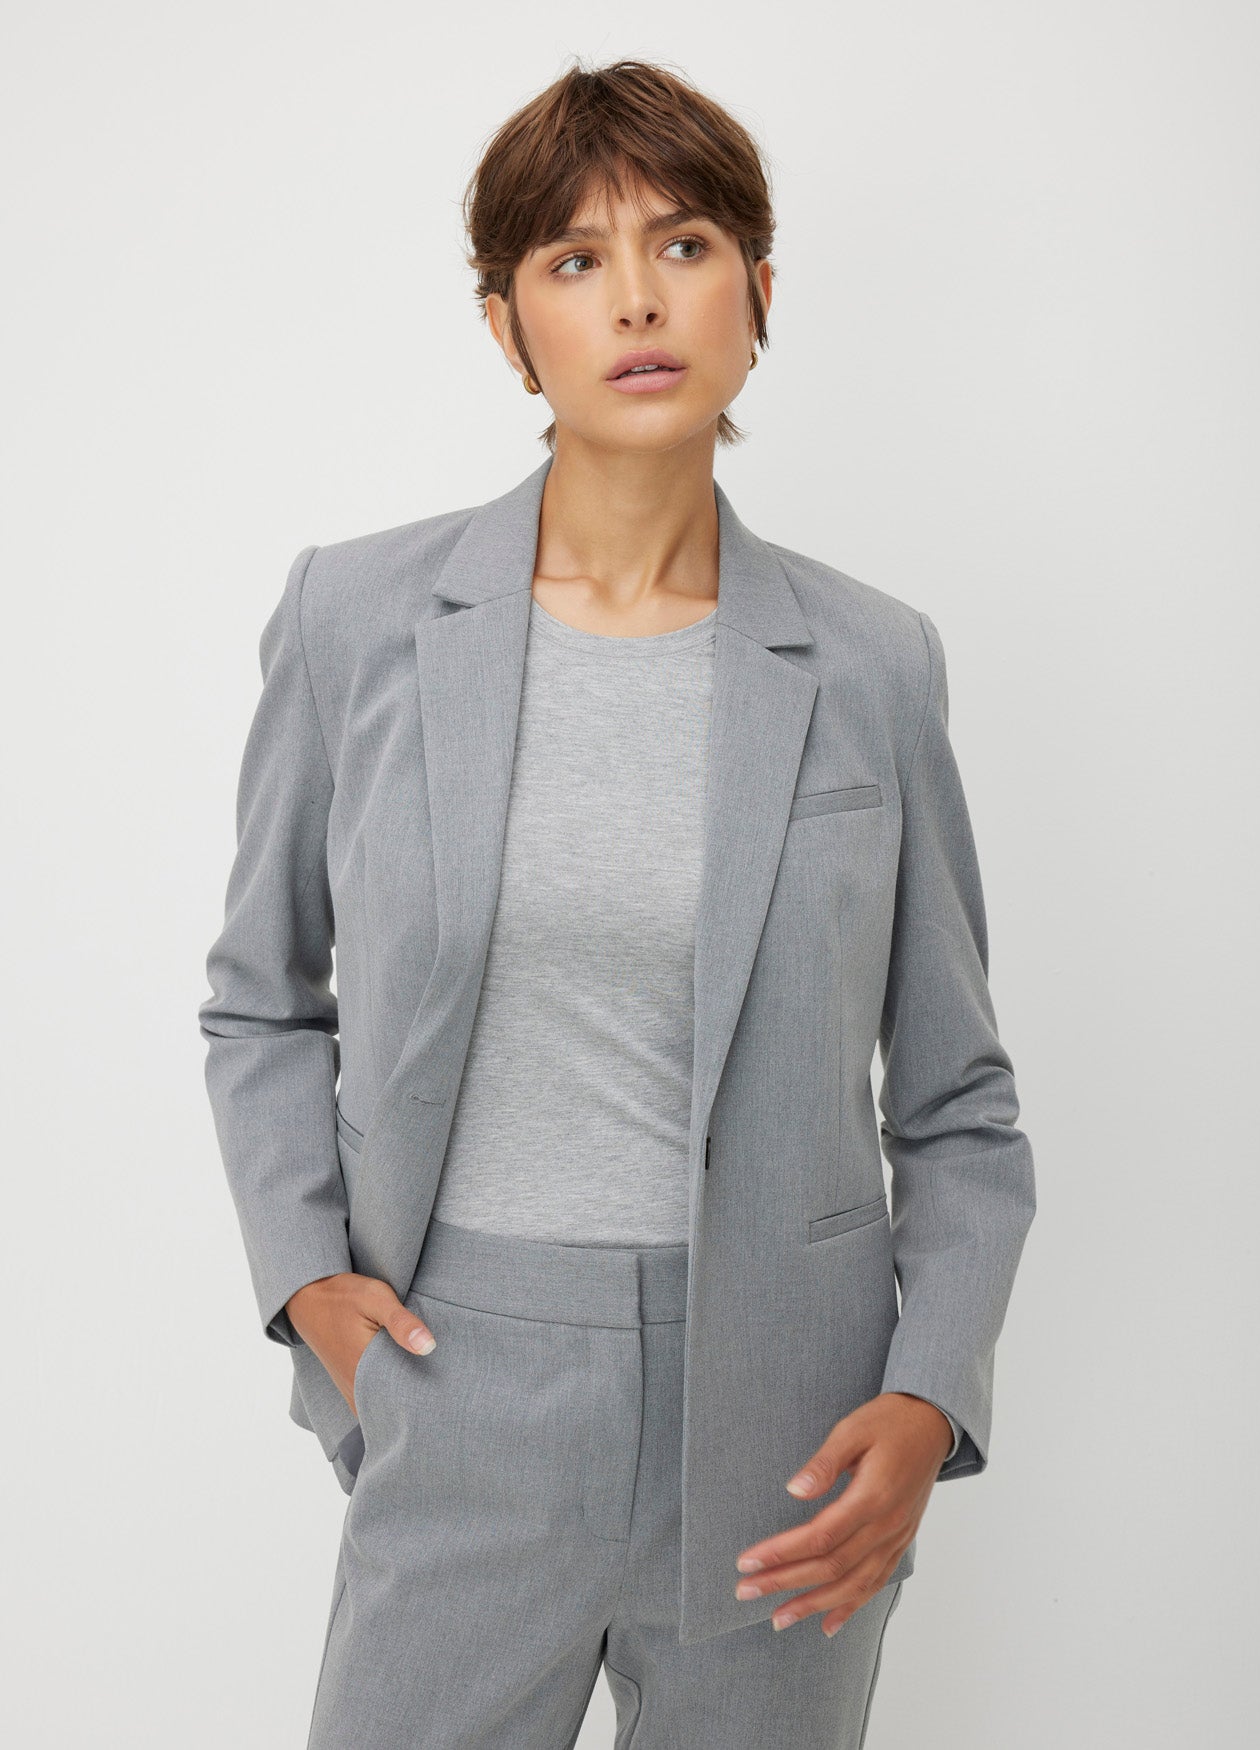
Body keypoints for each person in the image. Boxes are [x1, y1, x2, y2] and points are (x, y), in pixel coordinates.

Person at [198, 57, 1036, 1750]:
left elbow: (958, 1101)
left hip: (791, 1426)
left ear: (760, 293)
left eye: (686, 244)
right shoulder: (359, 619)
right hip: (460, 1378)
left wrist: (926, 1391)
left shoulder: (872, 662)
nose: (639, 298)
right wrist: (308, 1283)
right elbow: (261, 998)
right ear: (509, 326)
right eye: (575, 260)